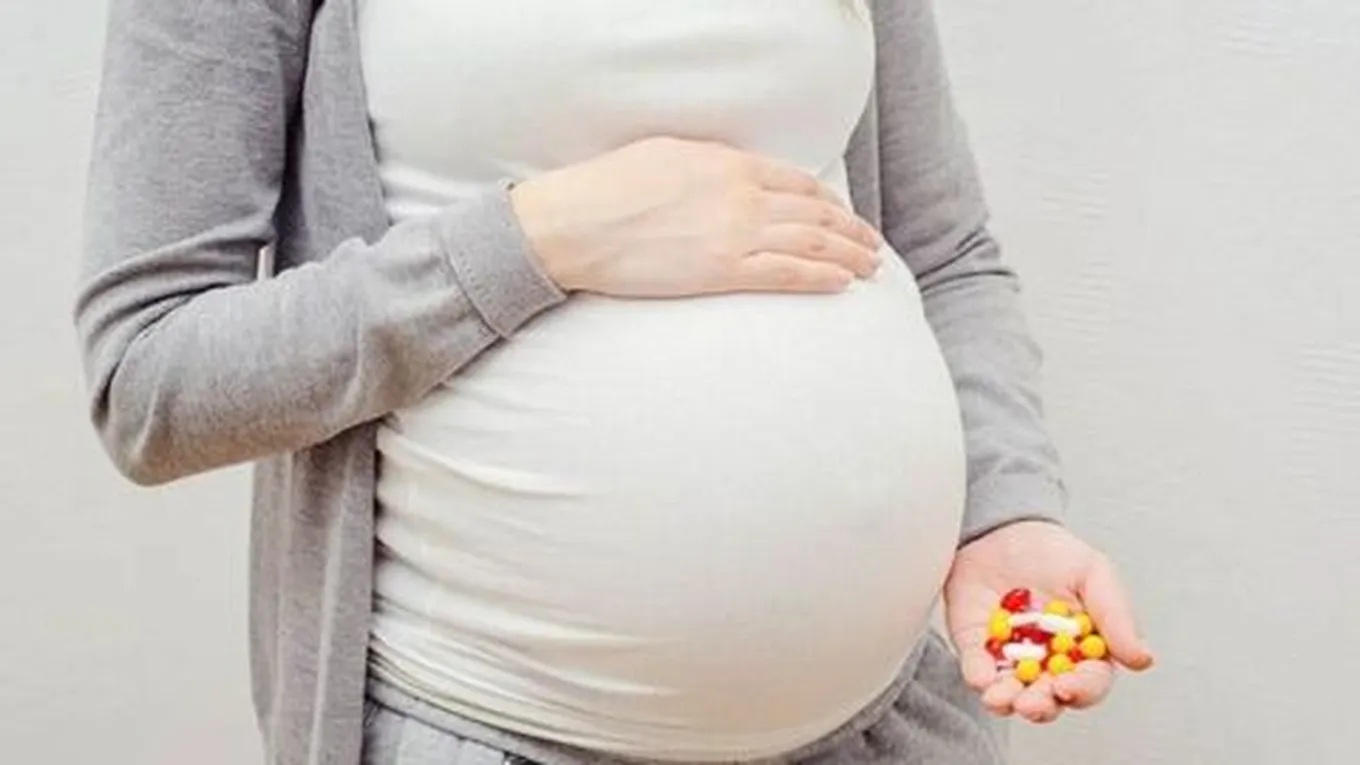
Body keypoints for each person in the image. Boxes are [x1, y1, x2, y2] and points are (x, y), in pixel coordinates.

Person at [76, 0, 1154, 763]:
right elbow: (152, 378)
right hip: (485, 725)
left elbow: (942, 249)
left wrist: (1004, 511)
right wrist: (542, 237)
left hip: (884, 726)